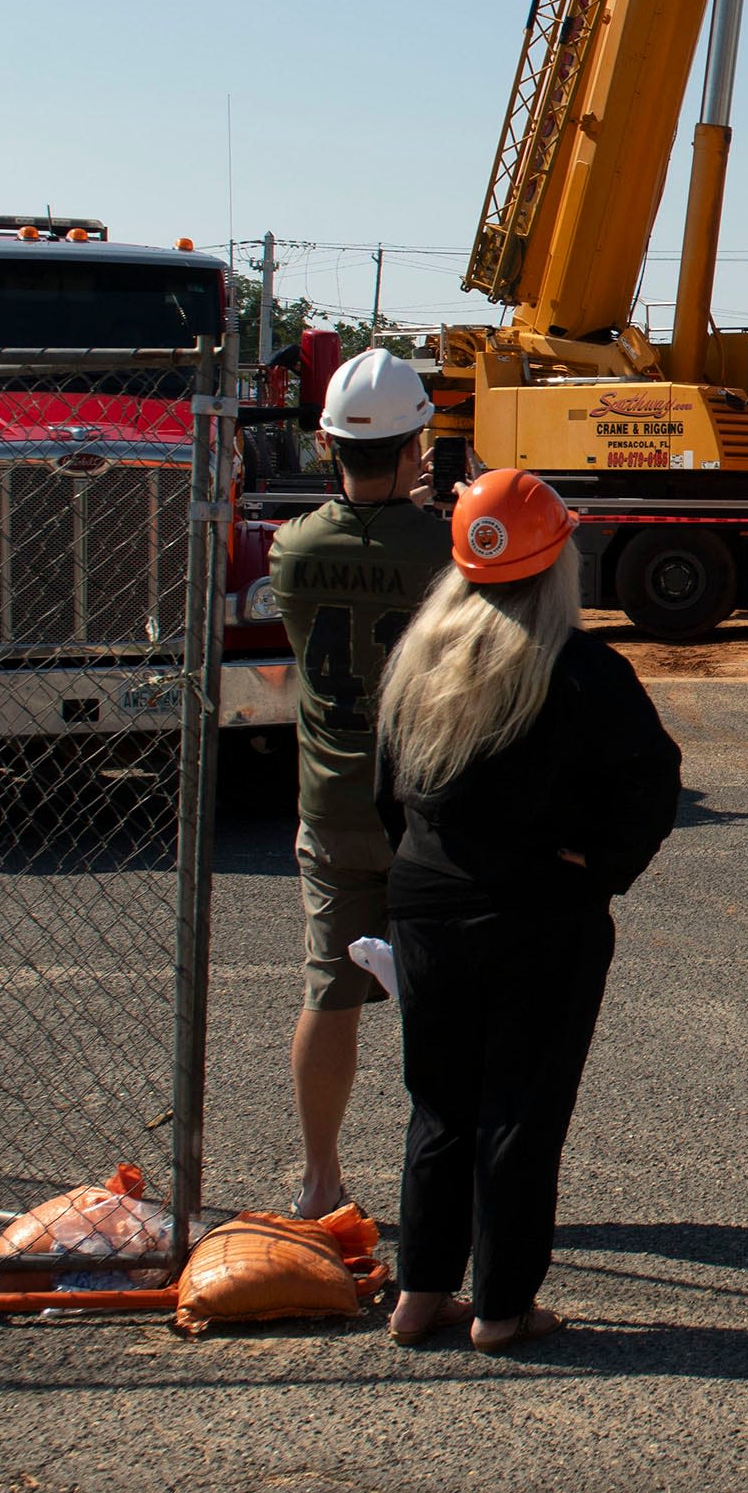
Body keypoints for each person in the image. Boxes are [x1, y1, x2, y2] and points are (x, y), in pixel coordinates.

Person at [374, 468, 681, 1352]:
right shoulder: (582, 669)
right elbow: (651, 789)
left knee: (438, 1101)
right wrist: (603, 867)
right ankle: (502, 1307)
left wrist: (430, 857)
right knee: (522, 1106)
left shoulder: (417, 657)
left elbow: (385, 792)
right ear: (559, 564)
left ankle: (419, 1291)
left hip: (426, 898)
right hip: (542, 911)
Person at [269, 348, 452, 1218]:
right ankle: (444, 1181)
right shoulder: (444, 548)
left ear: (325, 444)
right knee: (449, 999)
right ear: (418, 445)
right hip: (426, 802)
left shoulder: (293, 550)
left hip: (333, 796)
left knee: (329, 989)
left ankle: (319, 1180)